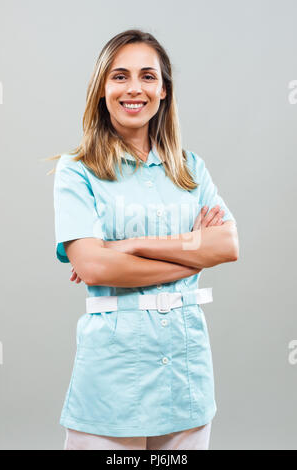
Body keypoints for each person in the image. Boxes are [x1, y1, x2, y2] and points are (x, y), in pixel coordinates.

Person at [49, 29, 239, 450]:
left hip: (187, 377)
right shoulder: (76, 171)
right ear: (102, 88)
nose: (134, 88)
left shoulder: (190, 169)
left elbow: (227, 246)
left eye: (148, 76)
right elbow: (95, 266)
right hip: (111, 384)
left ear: (164, 90)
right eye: (120, 76)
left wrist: (129, 246)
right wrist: (194, 253)